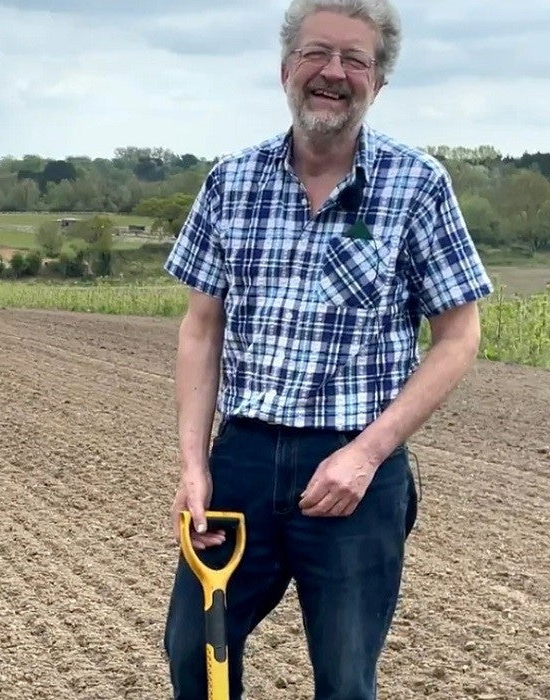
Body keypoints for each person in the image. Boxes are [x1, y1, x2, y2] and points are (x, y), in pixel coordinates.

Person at [160, 0, 493, 698]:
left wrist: (367, 454)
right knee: (194, 655)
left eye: (355, 60)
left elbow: (459, 336)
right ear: (286, 68)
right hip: (242, 463)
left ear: (379, 81)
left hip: (355, 473)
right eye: (317, 53)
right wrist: (195, 465)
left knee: (344, 681)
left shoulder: (418, 185)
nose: (333, 73)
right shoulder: (231, 181)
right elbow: (201, 327)